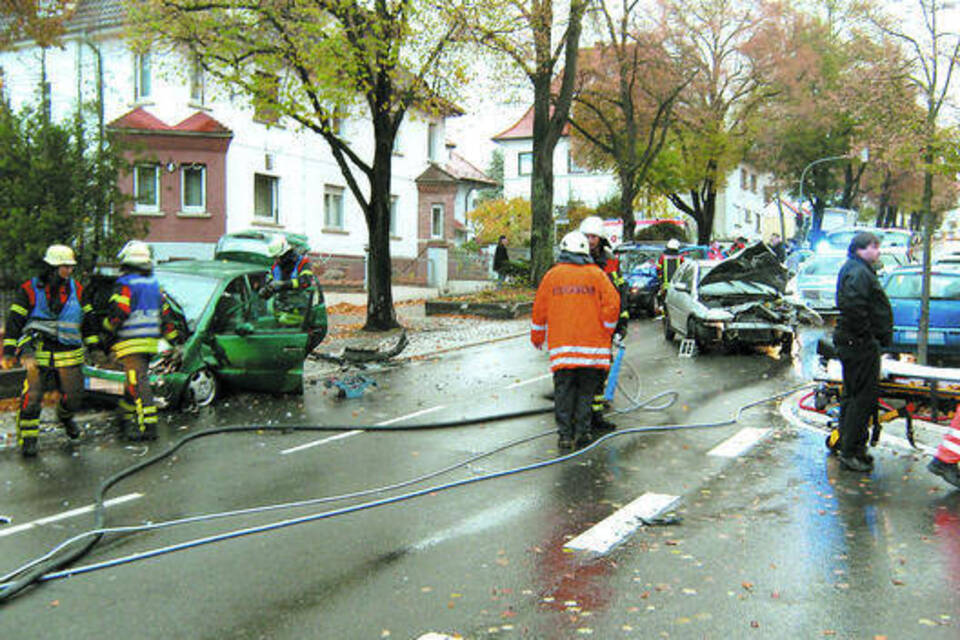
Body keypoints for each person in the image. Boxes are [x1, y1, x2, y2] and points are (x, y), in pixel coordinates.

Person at [2, 245, 98, 456]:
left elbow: (89, 320)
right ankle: (28, 439)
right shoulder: (29, 289)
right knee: (32, 398)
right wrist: (9, 350)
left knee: (74, 397)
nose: (70, 271)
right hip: (38, 351)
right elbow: (15, 321)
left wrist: (95, 346)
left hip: (69, 353)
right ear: (53, 267)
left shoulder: (78, 290)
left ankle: (65, 417)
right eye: (65, 266)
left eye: (71, 267)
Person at [531, 231, 620, 451]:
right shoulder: (596, 275)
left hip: (563, 349)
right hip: (592, 350)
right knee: (586, 392)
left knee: (563, 392)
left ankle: (565, 436)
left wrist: (538, 336)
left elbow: (539, 309)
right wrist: (606, 331)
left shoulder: (552, 276)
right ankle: (583, 432)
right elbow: (613, 304)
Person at [832, 231, 893, 472]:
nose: (878, 251)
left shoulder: (858, 269)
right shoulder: (858, 272)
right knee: (861, 399)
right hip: (858, 344)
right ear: (861, 249)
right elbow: (855, 308)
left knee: (852, 395)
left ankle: (849, 445)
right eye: (874, 247)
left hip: (854, 342)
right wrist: (868, 336)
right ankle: (851, 451)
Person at [99, 240, 163, 441]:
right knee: (132, 382)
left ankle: (149, 427)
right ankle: (124, 418)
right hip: (150, 341)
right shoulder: (154, 284)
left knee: (138, 382)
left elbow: (119, 313)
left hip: (130, 342)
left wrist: (106, 331)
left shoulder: (126, 284)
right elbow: (165, 311)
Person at [579, 216, 628, 435]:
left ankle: (596, 415)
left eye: (594, 237)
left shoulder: (609, 260)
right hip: (582, 323)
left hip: (603, 324)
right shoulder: (576, 258)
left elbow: (620, 290)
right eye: (587, 236)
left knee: (601, 370)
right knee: (582, 372)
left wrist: (622, 320)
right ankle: (582, 416)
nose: (590, 241)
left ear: (601, 239)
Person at [259, 234, 326, 353]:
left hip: (300, 312)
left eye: (278, 257)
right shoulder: (275, 267)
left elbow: (305, 282)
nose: (276, 260)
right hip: (280, 313)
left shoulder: (302, 263)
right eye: (275, 257)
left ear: (285, 254)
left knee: (295, 346)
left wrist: (283, 285)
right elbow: (270, 282)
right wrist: (266, 290)